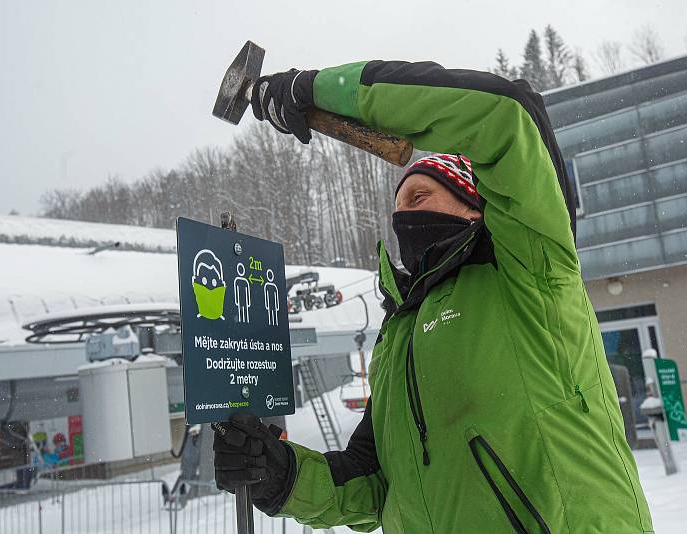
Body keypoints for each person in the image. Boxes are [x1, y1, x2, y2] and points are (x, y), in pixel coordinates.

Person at [213, 61, 654, 533]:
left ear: (473, 205)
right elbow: (375, 483)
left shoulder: (529, 267)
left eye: (420, 197)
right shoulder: (398, 335)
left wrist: (315, 91)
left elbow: (506, 116)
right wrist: (282, 475)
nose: (404, 217)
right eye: (398, 207)